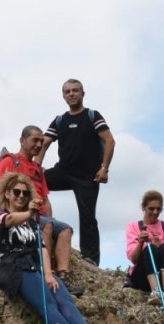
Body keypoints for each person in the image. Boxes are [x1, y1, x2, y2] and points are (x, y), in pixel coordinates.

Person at [0, 173, 118, 324]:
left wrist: (48, 273)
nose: (21, 196)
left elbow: (42, 247)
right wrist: (29, 213)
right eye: (16, 192)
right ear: (7, 194)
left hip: (33, 265)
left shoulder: (30, 224)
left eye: (25, 193)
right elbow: (8, 221)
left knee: (62, 295)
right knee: (48, 304)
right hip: (13, 266)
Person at [36, 79, 115, 266]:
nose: (72, 94)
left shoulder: (92, 116)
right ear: (63, 96)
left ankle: (91, 260)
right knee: (32, 182)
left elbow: (110, 141)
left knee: (87, 218)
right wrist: (36, 167)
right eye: (68, 91)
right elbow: (44, 143)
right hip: (63, 171)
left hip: (88, 176)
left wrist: (104, 169)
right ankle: (31, 225)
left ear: (82, 93)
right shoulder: (59, 120)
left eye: (75, 91)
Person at [0, 126, 79, 291]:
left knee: (65, 229)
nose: (39, 145)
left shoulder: (37, 169)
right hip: (20, 214)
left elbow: (45, 199)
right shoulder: (10, 161)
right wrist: (1, 215)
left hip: (39, 215)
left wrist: (50, 219)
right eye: (35, 140)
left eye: (41, 141)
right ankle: (43, 271)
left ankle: (63, 277)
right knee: (46, 225)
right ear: (22, 140)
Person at [125, 190, 164, 305]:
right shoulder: (133, 227)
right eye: (151, 208)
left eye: (158, 209)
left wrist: (160, 247)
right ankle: (155, 291)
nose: (155, 212)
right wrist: (140, 243)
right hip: (143, 276)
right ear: (143, 207)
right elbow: (133, 259)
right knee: (150, 249)